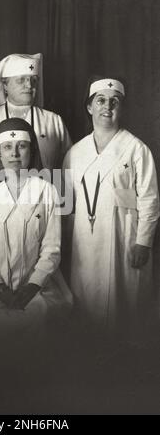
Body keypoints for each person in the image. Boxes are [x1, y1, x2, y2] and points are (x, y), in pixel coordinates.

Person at [0, 118, 72, 353]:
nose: (14, 153)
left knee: (40, 322)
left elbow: (52, 248)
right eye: (7, 147)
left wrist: (32, 287)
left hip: (35, 289)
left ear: (31, 151)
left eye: (21, 146)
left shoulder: (46, 190)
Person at [62, 76, 160, 338]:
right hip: (85, 241)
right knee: (88, 308)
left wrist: (144, 242)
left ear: (122, 108)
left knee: (125, 312)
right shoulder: (75, 153)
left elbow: (149, 199)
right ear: (89, 107)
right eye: (100, 100)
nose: (107, 106)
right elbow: (68, 204)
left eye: (114, 102)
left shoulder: (136, 149)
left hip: (124, 239)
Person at [0, 53, 72, 178]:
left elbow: (68, 167)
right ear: (5, 85)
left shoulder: (54, 121)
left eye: (33, 80)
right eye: (21, 80)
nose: (29, 85)